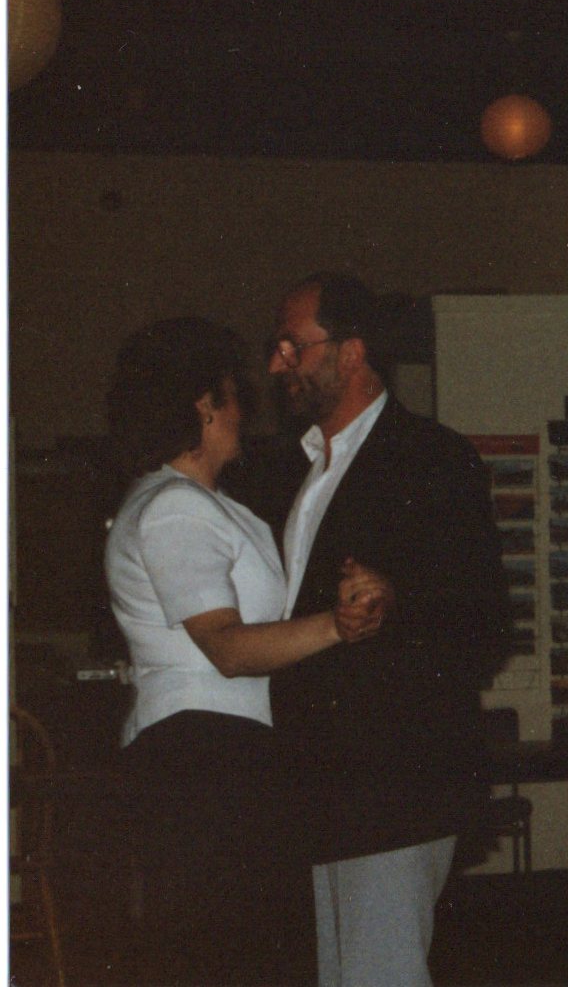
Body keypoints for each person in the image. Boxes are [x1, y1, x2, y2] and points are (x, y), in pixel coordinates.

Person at [103, 317, 385, 985]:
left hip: (224, 755)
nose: (243, 414)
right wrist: (335, 626)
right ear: (204, 404)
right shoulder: (175, 508)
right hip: (203, 757)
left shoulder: (207, 504)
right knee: (238, 958)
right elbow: (226, 648)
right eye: (233, 397)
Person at [264, 273, 511, 987]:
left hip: (395, 781)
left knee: (380, 975)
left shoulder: (431, 458)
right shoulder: (298, 469)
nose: (279, 361)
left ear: (352, 352)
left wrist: (396, 600)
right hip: (323, 782)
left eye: (293, 344)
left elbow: (485, 622)